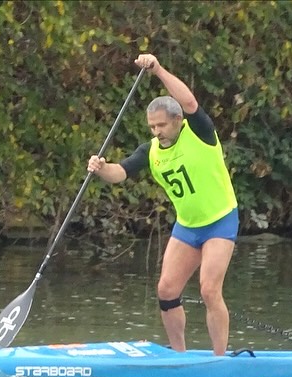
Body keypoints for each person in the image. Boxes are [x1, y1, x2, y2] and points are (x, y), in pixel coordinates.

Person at [87, 53, 238, 356]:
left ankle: (220, 359)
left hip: (220, 220)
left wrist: (157, 70)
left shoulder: (200, 133)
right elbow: (120, 173)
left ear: (177, 121)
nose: (157, 132)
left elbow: (190, 101)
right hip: (187, 226)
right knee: (166, 291)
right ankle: (178, 355)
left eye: (162, 126)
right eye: (152, 126)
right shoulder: (150, 151)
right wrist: (101, 168)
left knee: (209, 289)